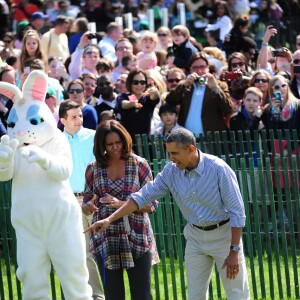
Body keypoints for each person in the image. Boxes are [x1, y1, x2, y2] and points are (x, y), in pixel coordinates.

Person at [85, 127, 250, 300]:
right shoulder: (171, 171)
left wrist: (234, 251)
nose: (171, 158)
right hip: (195, 237)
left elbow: (237, 212)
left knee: (237, 293)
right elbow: (142, 196)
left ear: (191, 149)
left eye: (175, 153)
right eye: (169, 153)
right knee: (195, 295)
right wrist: (109, 220)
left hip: (224, 237)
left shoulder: (218, 169)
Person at [81, 120, 159, 300]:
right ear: (101, 145)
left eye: (119, 142)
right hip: (105, 239)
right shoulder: (93, 168)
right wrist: (87, 207)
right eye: (109, 144)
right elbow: (86, 202)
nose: (115, 147)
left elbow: (152, 205)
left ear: (125, 140)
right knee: (113, 295)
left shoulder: (139, 164)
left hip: (137, 236)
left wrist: (120, 203)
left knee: (142, 294)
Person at [59, 100, 104, 300]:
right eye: (74, 117)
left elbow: (103, 168)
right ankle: (95, 296)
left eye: (80, 116)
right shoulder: (55, 142)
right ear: (62, 120)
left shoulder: (94, 137)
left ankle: (111, 294)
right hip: (69, 202)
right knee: (83, 254)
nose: (79, 120)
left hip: (95, 200)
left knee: (105, 251)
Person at [165, 52, 232, 137]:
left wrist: (215, 89)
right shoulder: (185, 84)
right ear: (190, 69)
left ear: (208, 68)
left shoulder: (220, 85)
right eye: (195, 67)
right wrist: (184, 85)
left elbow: (228, 109)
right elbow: (170, 100)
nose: (199, 71)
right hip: (187, 141)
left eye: (202, 67)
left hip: (211, 141)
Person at [116, 68, 160, 141]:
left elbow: (154, 98)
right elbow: (123, 104)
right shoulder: (123, 96)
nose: (139, 85)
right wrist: (132, 103)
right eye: (135, 82)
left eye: (142, 82)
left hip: (145, 144)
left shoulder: (147, 98)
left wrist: (154, 92)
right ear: (130, 83)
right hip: (128, 143)